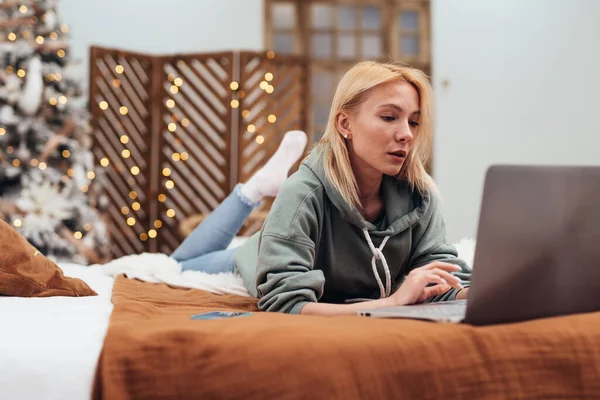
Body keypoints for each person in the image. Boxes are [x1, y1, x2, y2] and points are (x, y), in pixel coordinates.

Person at [172, 61, 471, 316]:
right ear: (345, 124)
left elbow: (444, 278)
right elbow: (286, 304)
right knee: (177, 264)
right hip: (260, 253)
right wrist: (391, 303)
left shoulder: (420, 196)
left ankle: (260, 188)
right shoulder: (301, 193)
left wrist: (481, 293)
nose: (406, 134)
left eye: (414, 122)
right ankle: (255, 190)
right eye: (389, 117)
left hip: (289, 234)